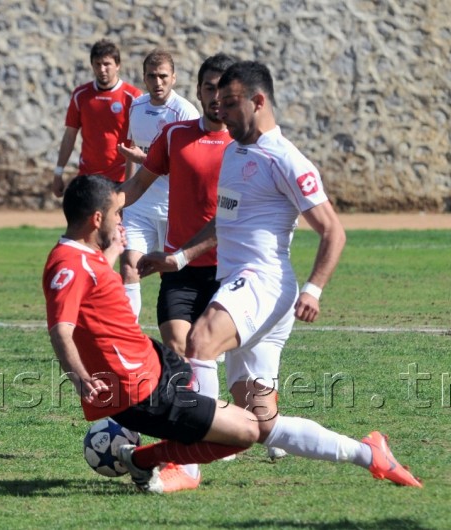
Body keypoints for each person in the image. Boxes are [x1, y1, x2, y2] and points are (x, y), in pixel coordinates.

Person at [136, 61, 423, 490]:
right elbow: (225, 223)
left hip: (263, 283)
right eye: (217, 102)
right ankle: (371, 453)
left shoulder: (286, 159)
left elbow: (333, 230)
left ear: (258, 101)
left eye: (231, 103)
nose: (222, 110)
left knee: (199, 342)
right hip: (244, 289)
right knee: (259, 425)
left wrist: (314, 289)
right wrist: (177, 259)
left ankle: (184, 467)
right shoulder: (235, 151)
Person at [44, 174, 422, 494]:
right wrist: (79, 379)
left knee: (248, 420)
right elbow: (61, 329)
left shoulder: (88, 255)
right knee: (247, 432)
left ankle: (153, 458)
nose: (121, 219)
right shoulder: (69, 266)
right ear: (96, 218)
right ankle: (153, 461)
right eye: (115, 213)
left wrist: (111, 253)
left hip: (157, 363)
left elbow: (94, 291)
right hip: (140, 390)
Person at [119, 53, 234, 356]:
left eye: (223, 89)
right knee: (179, 346)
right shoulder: (175, 135)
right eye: (209, 88)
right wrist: (102, 209)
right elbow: (139, 183)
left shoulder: (245, 146)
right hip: (179, 268)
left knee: (211, 353)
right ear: (198, 91)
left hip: (229, 267)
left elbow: (233, 216)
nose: (216, 96)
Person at [116, 49, 200, 320]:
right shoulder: (137, 107)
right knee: (129, 264)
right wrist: (125, 198)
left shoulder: (185, 112)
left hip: (173, 209)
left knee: (176, 274)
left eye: (163, 76)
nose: (158, 82)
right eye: (152, 76)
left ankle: (193, 330)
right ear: (144, 77)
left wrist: (150, 161)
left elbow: (193, 168)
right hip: (140, 207)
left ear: (173, 78)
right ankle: (127, 336)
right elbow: (133, 154)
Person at [52, 39, 142, 197]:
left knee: (115, 222)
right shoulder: (81, 95)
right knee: (86, 221)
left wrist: (130, 183)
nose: (102, 69)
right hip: (88, 175)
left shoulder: (133, 97)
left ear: (117, 65)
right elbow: (70, 135)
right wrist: (59, 171)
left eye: (107, 64)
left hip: (120, 178)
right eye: (97, 64)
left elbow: (137, 141)